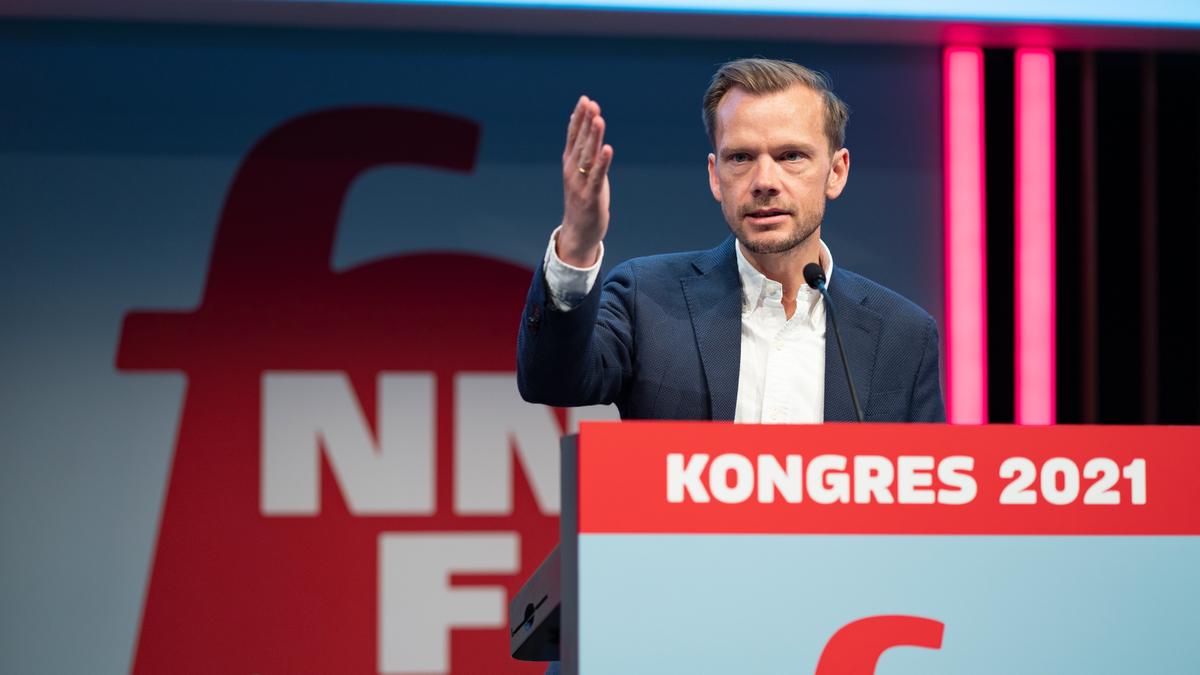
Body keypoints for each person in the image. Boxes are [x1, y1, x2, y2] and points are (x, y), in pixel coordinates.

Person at [517, 58, 944, 423]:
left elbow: (925, 483)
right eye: (741, 157)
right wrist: (578, 243)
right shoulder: (646, 299)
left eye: (790, 156)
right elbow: (552, 381)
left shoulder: (902, 335)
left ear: (836, 172)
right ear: (715, 176)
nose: (764, 181)